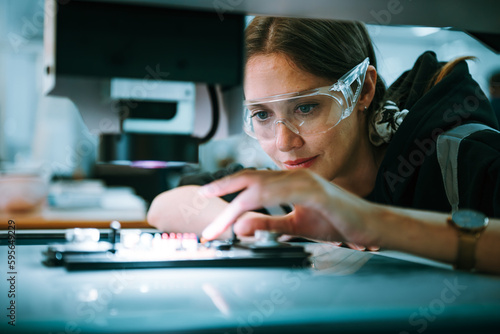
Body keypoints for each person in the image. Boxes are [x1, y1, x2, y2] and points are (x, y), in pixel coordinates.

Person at [148, 17, 500, 274]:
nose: (285, 143)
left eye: (306, 107)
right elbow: (165, 206)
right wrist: (254, 225)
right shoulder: (291, 192)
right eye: (262, 115)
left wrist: (370, 221)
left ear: (363, 91)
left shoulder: (460, 157)